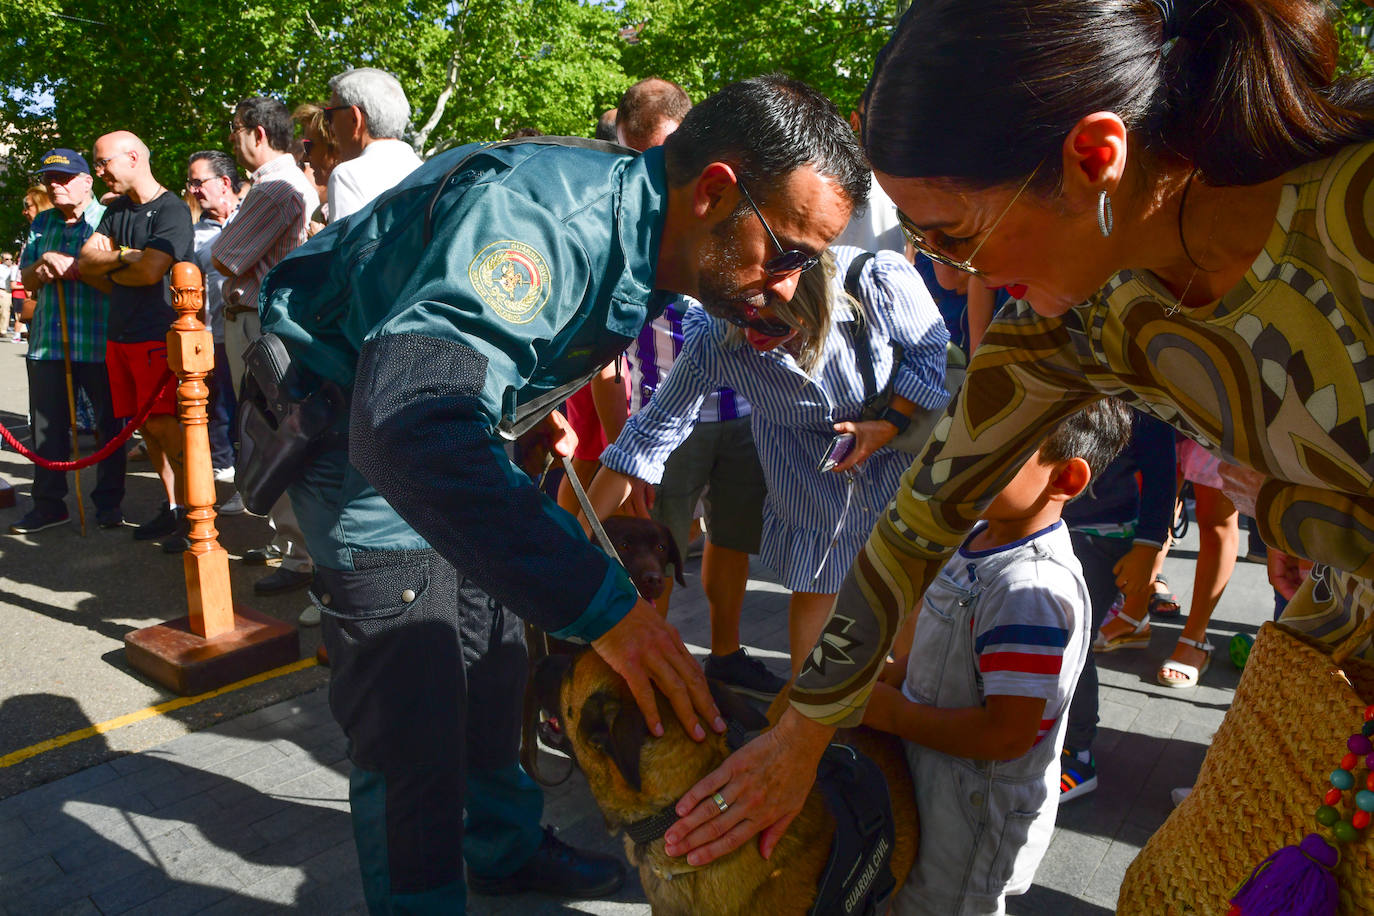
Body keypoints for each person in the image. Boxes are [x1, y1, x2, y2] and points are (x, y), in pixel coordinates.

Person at [654, 0, 1374, 873]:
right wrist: (807, 726)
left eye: (956, 237)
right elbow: (917, 523)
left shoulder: (1351, 213)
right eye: (923, 243)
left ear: (1092, 158)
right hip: (1330, 675)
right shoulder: (1078, 322)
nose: (958, 278)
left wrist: (1297, 513)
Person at [257, 75, 869, 913]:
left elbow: (479, 362)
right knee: (416, 711)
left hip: (436, 436)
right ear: (715, 191)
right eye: (790, 252)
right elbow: (406, 425)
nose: (792, 286)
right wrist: (605, 608)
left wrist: (520, 406)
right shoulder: (545, 224)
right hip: (357, 438)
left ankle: (502, 850)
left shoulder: (655, 226)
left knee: (497, 655)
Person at [590, 247, 951, 675]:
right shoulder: (716, 337)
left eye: (773, 325)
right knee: (820, 585)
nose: (751, 336)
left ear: (811, 303)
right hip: (807, 468)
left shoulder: (874, 281)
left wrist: (889, 425)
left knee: (904, 581)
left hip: (894, 456)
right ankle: (812, 717)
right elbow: (645, 438)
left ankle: (904, 699)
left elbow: (930, 351)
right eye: (741, 319)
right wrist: (577, 537)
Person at [863, 400, 1130, 914]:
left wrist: (894, 714)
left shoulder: (1030, 591)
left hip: (974, 821)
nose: (964, 461)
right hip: (932, 786)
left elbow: (1007, 734)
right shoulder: (976, 537)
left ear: (1067, 479)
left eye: (998, 453)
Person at [213, 96, 318, 595]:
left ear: (257, 132)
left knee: (272, 432)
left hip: (259, 321)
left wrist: (228, 241)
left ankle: (298, 554)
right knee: (268, 430)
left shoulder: (276, 187)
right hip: (258, 318)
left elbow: (225, 256)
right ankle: (287, 543)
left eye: (236, 129)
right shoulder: (279, 183)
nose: (233, 139)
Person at [79, 131, 193, 547]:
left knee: (168, 429)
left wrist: (117, 266)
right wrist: (128, 256)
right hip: (120, 337)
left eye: (102, 162)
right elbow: (85, 262)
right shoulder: (117, 211)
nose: (98, 171)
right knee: (146, 428)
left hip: (154, 337)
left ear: (131, 157)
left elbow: (151, 273)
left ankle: (194, 513)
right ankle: (173, 508)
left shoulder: (172, 210)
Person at [1061, 409, 1177, 800]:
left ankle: (1076, 754)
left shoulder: (1138, 396)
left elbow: (1162, 473)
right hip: (1034, 524)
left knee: (1072, 638)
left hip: (1102, 535)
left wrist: (1148, 544)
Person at [9, 149, 125, 534]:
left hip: (98, 338)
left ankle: (109, 503)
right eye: (49, 180)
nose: (54, 186)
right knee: (46, 428)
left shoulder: (110, 220)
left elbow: (122, 280)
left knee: (110, 426)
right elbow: (27, 276)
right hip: (48, 342)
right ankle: (48, 504)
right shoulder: (42, 223)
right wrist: (40, 269)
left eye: (63, 178)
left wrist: (75, 268)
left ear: (87, 181)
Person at [186, 150, 242, 500]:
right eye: (190, 183)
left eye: (198, 181)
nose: (193, 190)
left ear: (224, 183)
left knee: (255, 412)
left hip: (258, 332)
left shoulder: (254, 216)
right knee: (221, 406)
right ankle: (227, 471)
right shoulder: (193, 236)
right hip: (215, 337)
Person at [323, 67, 423, 221]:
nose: (330, 127)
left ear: (354, 118)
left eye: (329, 115)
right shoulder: (428, 172)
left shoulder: (347, 177)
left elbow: (349, 245)